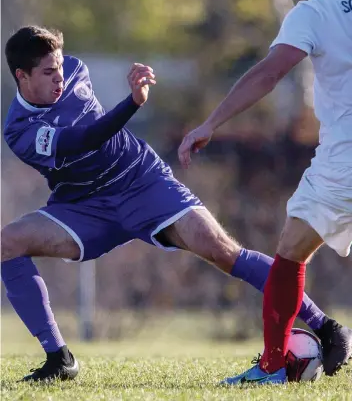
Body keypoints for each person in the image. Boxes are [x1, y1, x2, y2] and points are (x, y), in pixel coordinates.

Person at [1, 27, 349, 384]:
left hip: (141, 180)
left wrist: (128, 98)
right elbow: (83, 140)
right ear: (22, 76)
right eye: (47, 72)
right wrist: (133, 102)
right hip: (84, 206)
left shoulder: (75, 70)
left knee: (224, 251)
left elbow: (94, 129)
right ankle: (58, 358)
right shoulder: (19, 129)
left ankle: (326, 327)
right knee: (7, 242)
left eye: (59, 66)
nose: (60, 76)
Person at [178, 0, 352, 385]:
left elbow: (270, 73)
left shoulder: (313, 13)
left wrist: (210, 123)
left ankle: (275, 365)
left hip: (345, 162)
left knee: (290, 256)